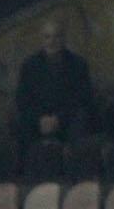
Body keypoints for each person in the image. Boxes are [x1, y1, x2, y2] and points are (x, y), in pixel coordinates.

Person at [14, 21, 95, 177]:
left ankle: (76, 177)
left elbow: (83, 98)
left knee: (81, 120)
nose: (52, 42)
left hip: (67, 119)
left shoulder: (78, 64)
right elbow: (23, 100)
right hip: (39, 121)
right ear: (42, 40)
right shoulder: (29, 66)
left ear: (64, 39)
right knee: (21, 125)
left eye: (56, 37)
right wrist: (40, 119)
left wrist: (59, 119)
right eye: (47, 37)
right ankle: (27, 180)